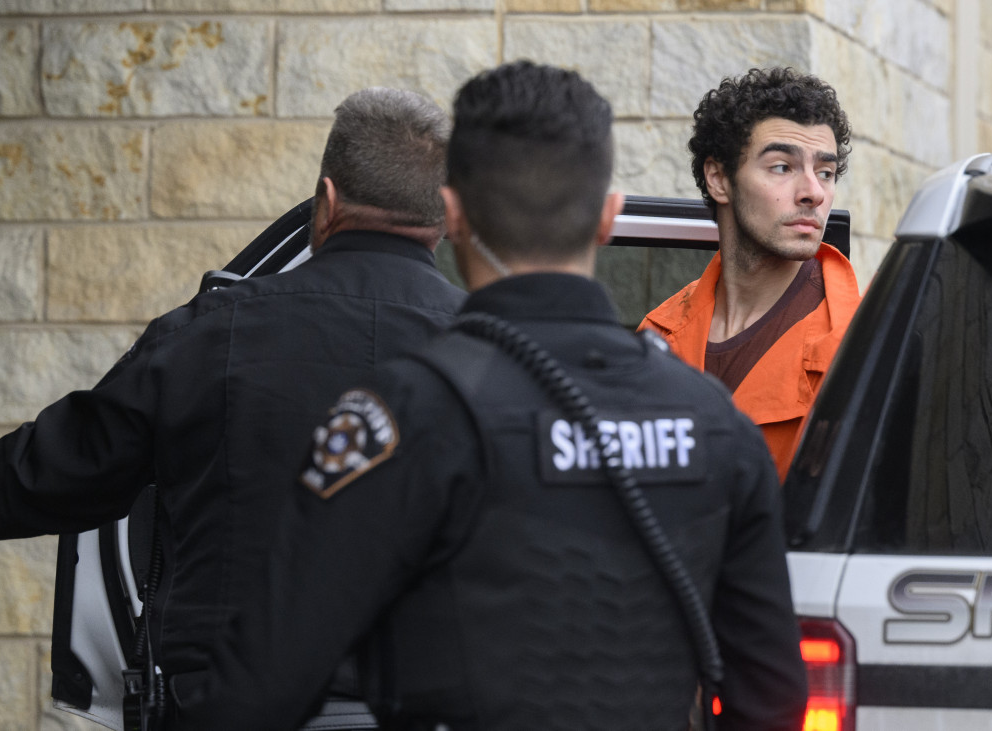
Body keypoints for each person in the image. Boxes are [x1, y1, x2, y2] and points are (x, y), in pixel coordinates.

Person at [176, 61, 807, 731]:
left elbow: (258, 688)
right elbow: (769, 695)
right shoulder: (716, 423)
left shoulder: (400, 414)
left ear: (451, 214)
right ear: (607, 216)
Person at [0, 88, 465, 722]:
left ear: (328, 202)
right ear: (443, 216)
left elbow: (76, 461)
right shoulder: (499, 352)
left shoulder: (216, 331)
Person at [640, 67, 862, 482]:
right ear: (719, 178)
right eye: (782, 167)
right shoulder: (657, 337)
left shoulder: (863, 345)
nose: (813, 191)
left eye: (826, 172)